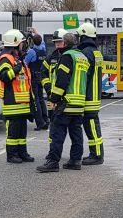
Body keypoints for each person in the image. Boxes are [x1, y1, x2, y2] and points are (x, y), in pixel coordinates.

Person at [37, 33, 89, 172]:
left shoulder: (67, 56)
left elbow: (62, 80)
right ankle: (75, 161)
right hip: (79, 103)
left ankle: (53, 162)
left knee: (57, 134)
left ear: (65, 44)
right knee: (76, 134)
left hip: (66, 103)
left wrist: (54, 98)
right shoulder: (82, 57)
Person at [0, 29, 35, 163]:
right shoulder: (6, 58)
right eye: (21, 43)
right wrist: (15, 70)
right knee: (13, 131)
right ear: (15, 43)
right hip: (12, 102)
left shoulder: (17, 58)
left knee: (22, 131)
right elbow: (4, 76)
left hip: (22, 103)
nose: (23, 45)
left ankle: (22, 153)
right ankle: (12, 155)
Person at [76, 21, 105, 165]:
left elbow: (83, 75)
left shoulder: (86, 53)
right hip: (95, 96)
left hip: (88, 97)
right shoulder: (96, 52)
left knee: (92, 128)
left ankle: (97, 156)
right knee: (93, 126)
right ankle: (96, 153)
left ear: (83, 37)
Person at [24, 28, 50, 130]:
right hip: (41, 77)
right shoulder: (43, 49)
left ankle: (40, 123)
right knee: (41, 99)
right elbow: (41, 41)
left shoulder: (32, 52)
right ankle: (46, 120)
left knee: (36, 100)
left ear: (32, 41)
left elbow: (25, 63)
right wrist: (35, 32)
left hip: (34, 78)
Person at [42, 29, 67, 125]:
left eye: (59, 41)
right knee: (53, 123)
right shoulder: (51, 57)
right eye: (56, 42)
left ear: (65, 41)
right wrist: (48, 88)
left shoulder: (70, 56)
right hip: (52, 96)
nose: (57, 44)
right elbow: (43, 73)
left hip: (66, 98)